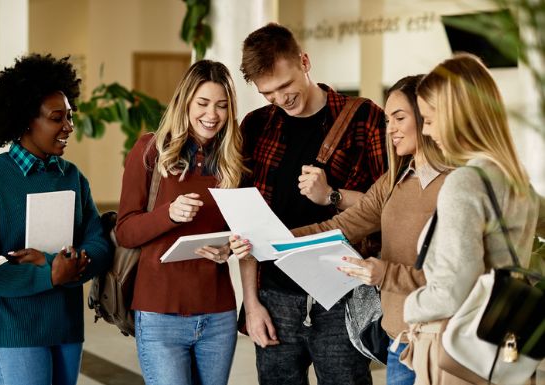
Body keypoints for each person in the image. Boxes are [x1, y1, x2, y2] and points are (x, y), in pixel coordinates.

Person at [231, 22, 387, 384]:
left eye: (285, 86)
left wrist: (332, 196)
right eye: (269, 93)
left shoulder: (364, 119)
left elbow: (386, 209)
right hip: (274, 296)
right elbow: (246, 225)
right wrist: (252, 305)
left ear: (304, 61)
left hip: (342, 294)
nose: (281, 99)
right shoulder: (256, 126)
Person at [272, 75, 452, 384]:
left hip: (443, 342)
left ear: (428, 115)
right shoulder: (393, 181)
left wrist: (385, 274)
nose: (390, 129)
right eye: (387, 120)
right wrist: (271, 240)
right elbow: (339, 227)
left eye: (399, 118)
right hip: (399, 340)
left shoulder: (457, 184)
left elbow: (455, 276)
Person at [0, 53, 112, 385]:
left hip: (67, 328)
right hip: (12, 332)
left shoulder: (72, 176)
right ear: (28, 119)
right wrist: (49, 274)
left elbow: (98, 242)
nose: (69, 127)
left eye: (70, 117)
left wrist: (67, 263)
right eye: (57, 118)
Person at [402, 53, 539, 385]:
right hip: (507, 347)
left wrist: (409, 306)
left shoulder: (465, 182)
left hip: (458, 350)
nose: (427, 131)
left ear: (458, 117)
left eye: (430, 119)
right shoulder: (517, 181)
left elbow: (453, 290)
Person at [114, 60, 246, 385]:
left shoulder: (232, 160)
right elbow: (126, 231)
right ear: (184, 102)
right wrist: (168, 215)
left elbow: (241, 228)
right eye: (202, 103)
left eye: (222, 106)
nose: (212, 115)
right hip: (160, 314)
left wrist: (229, 248)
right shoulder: (150, 151)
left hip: (218, 313)